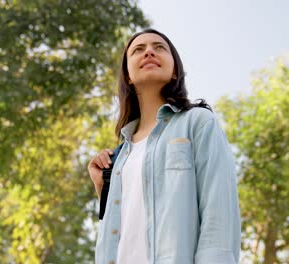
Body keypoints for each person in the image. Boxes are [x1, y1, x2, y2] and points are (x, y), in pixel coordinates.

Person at [88, 28, 241, 264]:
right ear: (127, 75)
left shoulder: (197, 122)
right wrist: (103, 189)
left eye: (159, 47)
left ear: (174, 71)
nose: (149, 52)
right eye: (138, 50)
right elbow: (123, 229)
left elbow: (218, 214)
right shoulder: (120, 155)